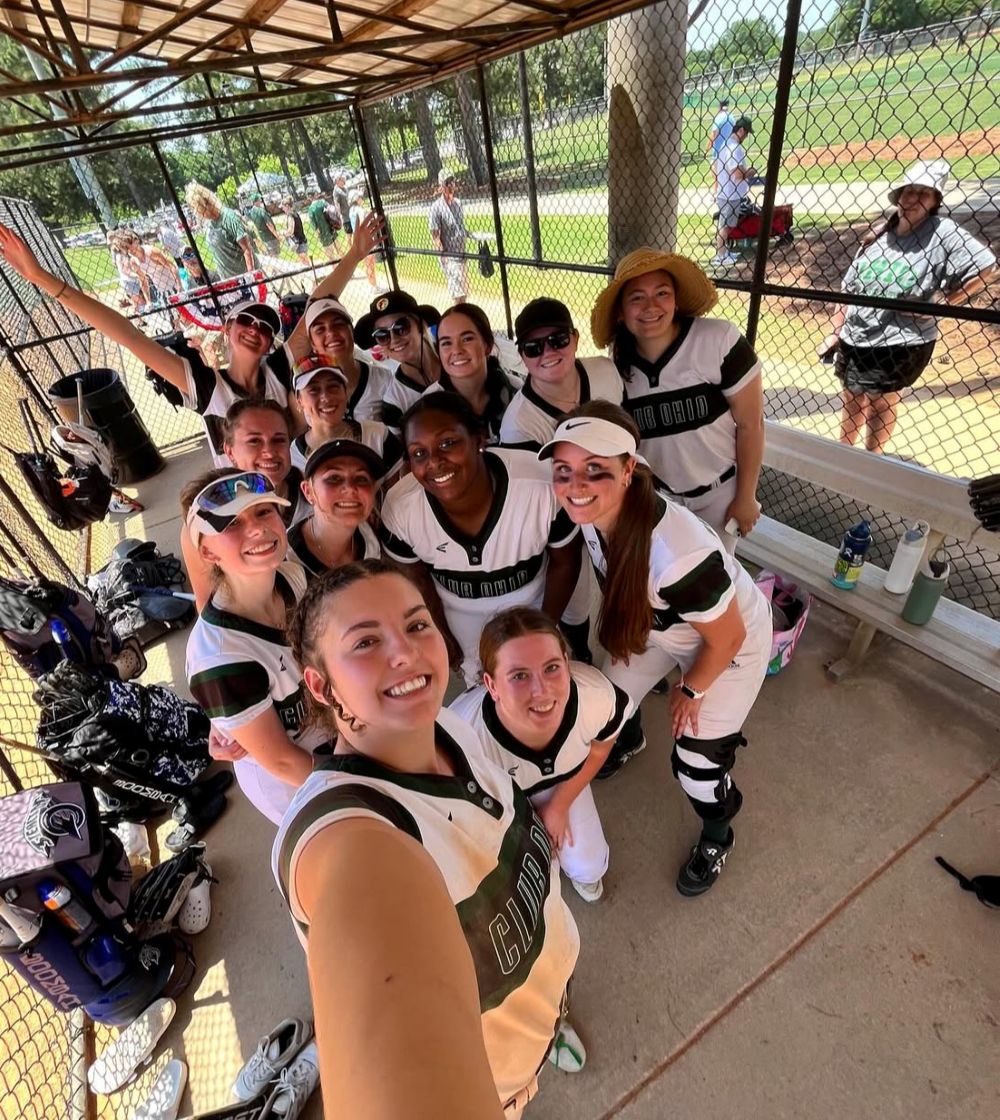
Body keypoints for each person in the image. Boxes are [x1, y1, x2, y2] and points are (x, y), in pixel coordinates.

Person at [276, 559, 584, 1116]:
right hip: (499, 1082)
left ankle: (553, 1029)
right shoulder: (351, 839)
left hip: (541, 994)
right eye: (366, 642)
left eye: (417, 625)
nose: (405, 652)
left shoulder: (447, 726)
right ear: (321, 684)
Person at [539, 403, 772, 894]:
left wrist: (691, 689)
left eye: (594, 470)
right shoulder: (592, 511)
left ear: (629, 470)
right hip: (670, 628)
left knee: (696, 765)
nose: (576, 485)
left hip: (728, 647)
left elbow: (727, 636)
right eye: (564, 472)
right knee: (603, 708)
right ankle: (630, 736)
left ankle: (718, 833)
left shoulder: (676, 553)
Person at [0, 215, 383, 466]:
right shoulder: (205, 385)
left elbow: (318, 303)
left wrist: (353, 255)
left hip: (295, 476)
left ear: (270, 341)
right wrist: (42, 279)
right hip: (240, 497)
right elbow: (129, 335)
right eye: (244, 321)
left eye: (265, 326)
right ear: (227, 331)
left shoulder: (280, 368)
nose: (255, 328)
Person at [380, 393, 581, 685]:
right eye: (419, 453)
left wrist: (547, 626)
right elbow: (417, 581)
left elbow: (565, 562)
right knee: (488, 698)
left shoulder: (538, 485)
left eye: (448, 443)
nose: (434, 461)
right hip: (458, 619)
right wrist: (442, 636)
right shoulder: (402, 508)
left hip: (532, 605)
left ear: (479, 439)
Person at [450, 607, 632, 902]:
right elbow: (467, 808)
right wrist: (521, 828)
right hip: (504, 799)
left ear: (566, 662)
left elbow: (601, 747)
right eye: (519, 675)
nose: (541, 690)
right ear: (491, 686)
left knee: (589, 867)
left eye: (551, 668)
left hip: (564, 782)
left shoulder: (594, 697)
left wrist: (559, 806)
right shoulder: (463, 733)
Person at [820, 159, 997, 455]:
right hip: (857, 334)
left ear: (934, 201)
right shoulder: (879, 234)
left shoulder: (942, 232)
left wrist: (942, 303)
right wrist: (835, 330)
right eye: (909, 191)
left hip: (901, 340)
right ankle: (844, 453)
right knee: (852, 395)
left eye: (923, 193)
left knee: (881, 400)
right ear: (899, 195)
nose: (913, 199)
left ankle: (872, 460)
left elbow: (986, 266)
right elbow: (848, 288)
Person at [591, 247, 764, 551]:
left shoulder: (717, 340)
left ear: (676, 299)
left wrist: (746, 497)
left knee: (715, 586)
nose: (651, 306)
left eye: (662, 293)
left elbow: (751, 424)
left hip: (718, 496)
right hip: (658, 500)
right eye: (636, 297)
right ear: (620, 311)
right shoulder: (617, 369)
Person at [184, 469, 328, 825]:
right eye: (231, 523)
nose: (257, 529)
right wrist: (368, 777)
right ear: (208, 550)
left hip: (332, 741)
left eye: (264, 511)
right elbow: (283, 761)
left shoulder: (293, 578)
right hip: (300, 784)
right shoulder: (219, 656)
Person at [181, 398, 308, 609]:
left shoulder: (314, 493)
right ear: (229, 451)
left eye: (279, 440)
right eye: (254, 441)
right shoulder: (205, 520)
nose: (269, 451)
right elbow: (206, 604)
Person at [500, 297, 622, 451]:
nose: (548, 352)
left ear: (576, 338)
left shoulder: (606, 372)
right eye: (533, 347)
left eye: (558, 339)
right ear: (522, 356)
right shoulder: (519, 426)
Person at [289, 356, 403, 477]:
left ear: (345, 392)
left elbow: (399, 492)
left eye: (333, 386)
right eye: (314, 390)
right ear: (299, 401)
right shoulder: (295, 457)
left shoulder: (378, 436)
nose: (326, 398)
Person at [286, 439, 382, 578]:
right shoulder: (285, 560)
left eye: (361, 478)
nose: (350, 488)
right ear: (308, 491)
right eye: (334, 478)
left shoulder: (369, 538)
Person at [428, 303, 523, 442]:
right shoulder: (429, 407)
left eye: (467, 339)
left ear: (487, 345)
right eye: (446, 343)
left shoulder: (515, 391)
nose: (457, 350)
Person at [353, 290, 442, 427]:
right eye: (382, 335)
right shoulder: (394, 402)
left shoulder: (454, 358)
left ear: (419, 325)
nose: (394, 340)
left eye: (401, 328)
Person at [299, 298, 395, 424]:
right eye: (320, 330)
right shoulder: (306, 392)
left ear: (351, 331)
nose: (331, 333)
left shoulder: (384, 381)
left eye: (338, 324)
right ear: (313, 343)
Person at [185, 182, 257, 277]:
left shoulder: (228, 217)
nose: (195, 212)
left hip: (244, 275)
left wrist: (251, 276)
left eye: (196, 208)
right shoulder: (209, 224)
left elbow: (247, 249)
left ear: (205, 205)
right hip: (229, 280)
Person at [712, 116, 756, 268]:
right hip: (730, 193)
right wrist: (750, 172)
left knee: (728, 225)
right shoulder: (734, 147)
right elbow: (737, 174)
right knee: (724, 226)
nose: (746, 136)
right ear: (741, 130)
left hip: (728, 192)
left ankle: (724, 252)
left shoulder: (725, 144)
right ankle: (721, 256)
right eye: (746, 133)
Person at [429, 169, 470, 303]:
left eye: (452, 181)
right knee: (457, 295)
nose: (451, 185)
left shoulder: (458, 203)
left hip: (462, 253)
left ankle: (464, 316)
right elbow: (435, 236)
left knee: (464, 292)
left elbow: (460, 227)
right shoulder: (436, 207)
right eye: (447, 183)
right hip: (449, 256)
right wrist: (444, 256)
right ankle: (460, 318)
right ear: (441, 187)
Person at [349, 189, 378, 291]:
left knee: (367, 263)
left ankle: (372, 285)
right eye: (360, 197)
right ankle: (374, 286)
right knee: (371, 262)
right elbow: (362, 223)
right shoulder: (360, 210)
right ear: (356, 199)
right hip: (365, 238)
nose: (362, 199)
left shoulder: (351, 210)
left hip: (357, 238)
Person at [706, 99, 735, 199]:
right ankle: (725, 192)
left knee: (715, 172)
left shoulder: (719, 118)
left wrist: (707, 148)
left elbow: (714, 134)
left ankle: (715, 192)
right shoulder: (731, 117)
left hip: (719, 150)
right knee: (725, 173)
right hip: (729, 149)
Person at [282, 196, 310, 265]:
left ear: (287, 206)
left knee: (305, 263)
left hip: (299, 242)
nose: (282, 209)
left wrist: (283, 233)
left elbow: (290, 231)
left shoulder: (290, 215)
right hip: (302, 240)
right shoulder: (295, 213)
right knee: (305, 262)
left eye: (283, 207)